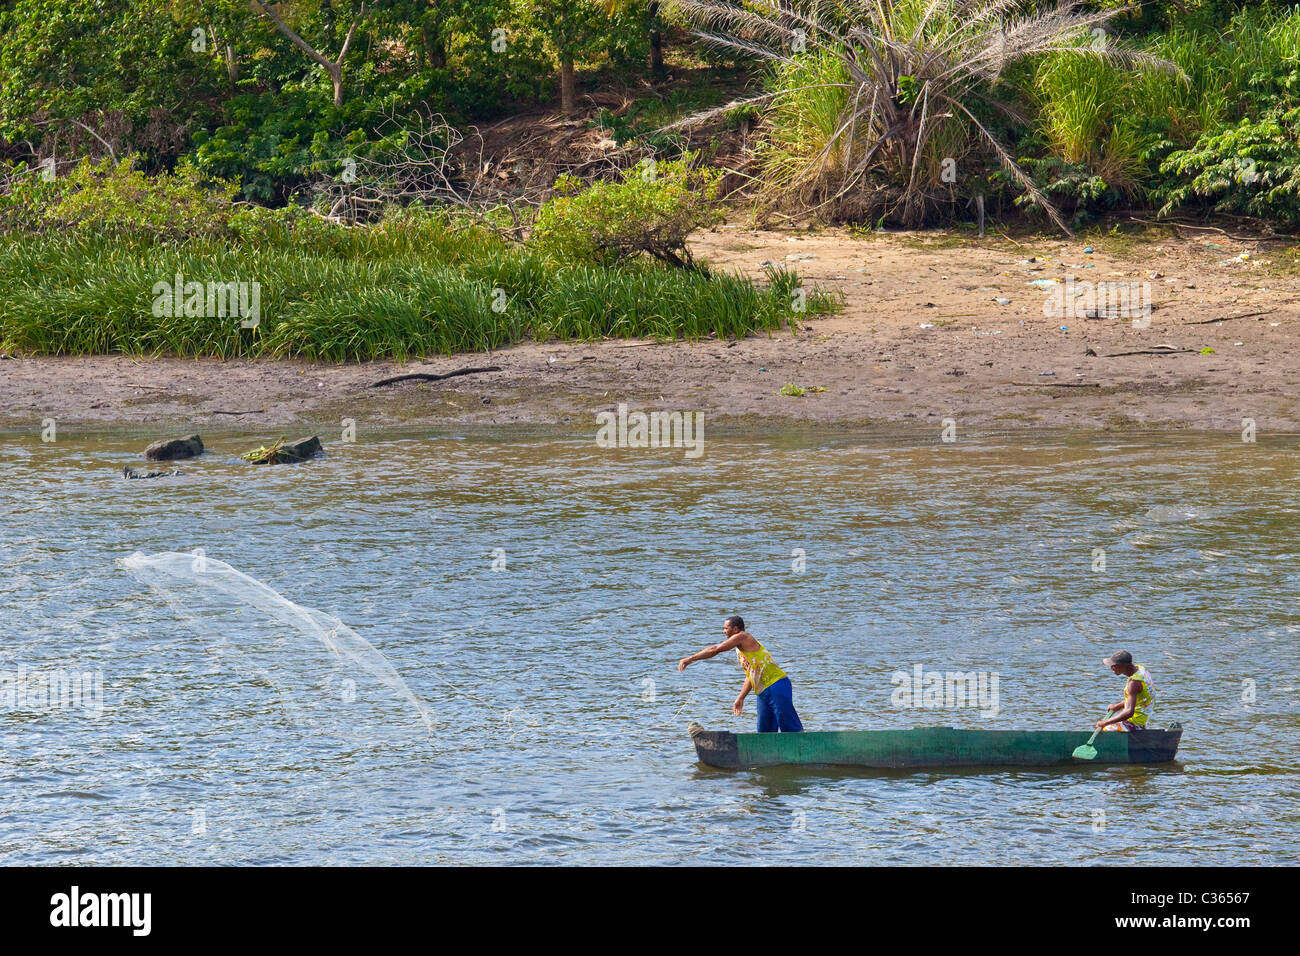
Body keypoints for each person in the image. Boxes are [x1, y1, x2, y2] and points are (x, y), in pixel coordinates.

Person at [678, 616, 803, 733]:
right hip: (762, 691)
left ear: (736, 629)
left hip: (777, 684)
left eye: (726, 628)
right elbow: (751, 675)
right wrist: (741, 697)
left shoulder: (743, 636)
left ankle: (804, 747)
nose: (724, 631)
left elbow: (715, 649)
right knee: (765, 731)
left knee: (789, 726)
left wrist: (690, 658)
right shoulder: (740, 649)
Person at [1095, 650, 1154, 732]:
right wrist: (1117, 706)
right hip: (1141, 719)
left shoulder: (1134, 683)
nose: (1111, 668)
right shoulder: (1141, 670)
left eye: (1114, 666)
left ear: (1124, 666)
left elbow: (1129, 712)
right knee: (1107, 724)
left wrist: (1105, 722)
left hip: (1134, 723)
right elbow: (1138, 699)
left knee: (1102, 729)